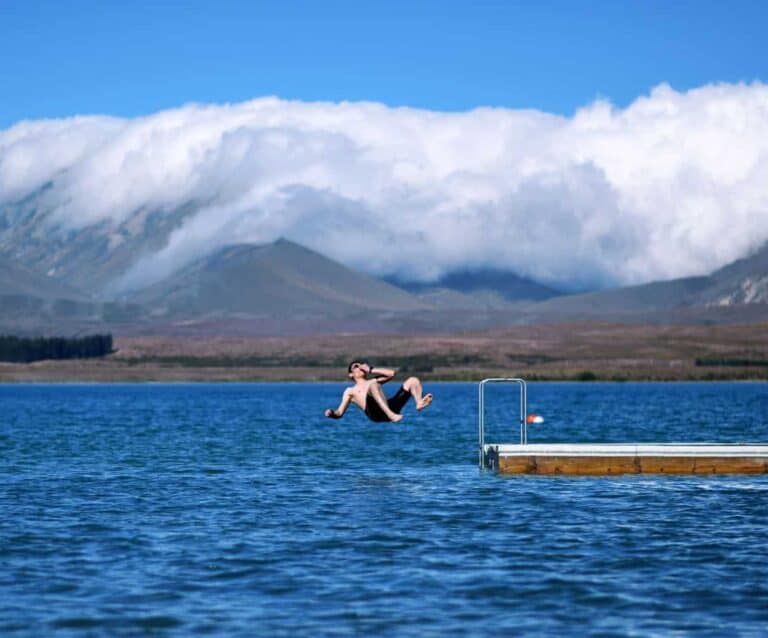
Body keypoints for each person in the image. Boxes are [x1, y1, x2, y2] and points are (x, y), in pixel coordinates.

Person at [324, 361, 433, 423]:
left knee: (412, 380)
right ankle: (391, 415)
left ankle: (419, 402)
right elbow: (339, 412)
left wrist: (371, 369)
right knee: (373, 385)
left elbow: (391, 374)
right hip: (375, 414)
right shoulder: (350, 391)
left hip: (390, 407)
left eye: (361, 365)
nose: (359, 367)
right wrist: (332, 413)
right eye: (356, 366)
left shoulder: (373, 380)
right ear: (351, 374)